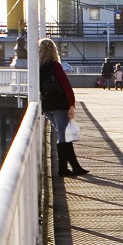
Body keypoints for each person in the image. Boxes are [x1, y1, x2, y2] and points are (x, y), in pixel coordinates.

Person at [38, 38, 89, 178]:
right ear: (54, 51)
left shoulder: (38, 67)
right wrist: (71, 105)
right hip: (60, 105)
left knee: (64, 135)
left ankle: (75, 167)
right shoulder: (55, 66)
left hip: (47, 107)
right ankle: (62, 169)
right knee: (63, 137)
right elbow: (66, 86)